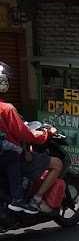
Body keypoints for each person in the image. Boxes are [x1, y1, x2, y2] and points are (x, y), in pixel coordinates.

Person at [0, 62, 63, 212]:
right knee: (57, 163)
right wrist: (45, 133)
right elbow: (25, 135)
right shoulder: (7, 109)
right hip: (9, 155)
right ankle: (36, 199)